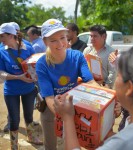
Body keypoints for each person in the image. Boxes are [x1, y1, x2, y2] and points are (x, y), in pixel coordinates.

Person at [54, 43, 133, 150]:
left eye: (118, 75)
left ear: (129, 88)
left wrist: (67, 118)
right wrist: (108, 134)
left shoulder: (121, 143)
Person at [35, 18, 101, 150]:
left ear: (67, 37)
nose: (60, 43)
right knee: (51, 145)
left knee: (71, 143)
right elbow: (49, 97)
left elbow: (90, 81)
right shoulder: (42, 64)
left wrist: (105, 98)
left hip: (73, 107)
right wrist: (65, 116)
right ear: (45, 42)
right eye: (53, 40)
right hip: (51, 110)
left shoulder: (77, 56)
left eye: (62, 38)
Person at [0, 23, 42, 149]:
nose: (1, 40)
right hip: (11, 90)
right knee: (14, 119)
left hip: (28, 89)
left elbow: (35, 64)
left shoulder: (28, 48)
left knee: (29, 115)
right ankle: (14, 145)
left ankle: (31, 137)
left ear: (12, 35)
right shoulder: (1, 51)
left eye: (2, 36)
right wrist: (18, 77)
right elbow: (1, 72)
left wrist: (34, 76)